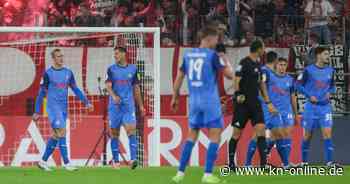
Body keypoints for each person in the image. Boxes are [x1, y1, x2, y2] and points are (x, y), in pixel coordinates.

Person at [171, 27, 234, 184]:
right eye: (216, 39)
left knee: (191, 135)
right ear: (209, 38)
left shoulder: (188, 55)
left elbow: (179, 78)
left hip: (194, 102)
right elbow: (230, 75)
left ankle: (179, 174)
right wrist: (225, 58)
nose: (217, 42)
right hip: (210, 102)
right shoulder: (213, 56)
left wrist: (175, 97)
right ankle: (207, 175)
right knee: (215, 136)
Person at [33, 48, 93, 171]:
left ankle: (43, 161)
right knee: (62, 131)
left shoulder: (68, 73)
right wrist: (37, 111)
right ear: (53, 59)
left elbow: (75, 89)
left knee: (56, 135)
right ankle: (66, 163)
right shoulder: (48, 73)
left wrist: (86, 102)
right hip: (52, 108)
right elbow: (41, 94)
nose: (61, 58)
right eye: (58, 56)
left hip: (63, 108)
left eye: (62, 56)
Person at [228, 38, 277, 170]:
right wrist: (238, 94)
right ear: (259, 49)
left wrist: (268, 102)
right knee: (236, 134)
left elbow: (262, 85)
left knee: (261, 131)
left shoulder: (259, 66)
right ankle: (231, 164)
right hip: (242, 105)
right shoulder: (243, 63)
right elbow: (236, 80)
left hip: (255, 104)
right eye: (263, 47)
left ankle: (263, 165)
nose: (264, 50)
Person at [297, 46, 340, 168]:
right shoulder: (308, 70)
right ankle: (304, 163)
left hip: (325, 108)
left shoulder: (330, 70)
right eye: (326, 54)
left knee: (327, 134)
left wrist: (330, 92)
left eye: (328, 54)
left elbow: (332, 86)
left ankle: (329, 163)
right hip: (311, 108)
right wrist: (309, 95)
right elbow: (297, 85)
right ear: (318, 55)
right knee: (307, 136)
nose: (328, 56)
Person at [105, 46, 145, 170]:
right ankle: (116, 162)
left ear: (124, 54)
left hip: (128, 106)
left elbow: (136, 88)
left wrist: (141, 105)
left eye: (117, 54)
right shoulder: (111, 69)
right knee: (114, 133)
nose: (115, 56)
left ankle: (133, 159)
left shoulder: (133, 69)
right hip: (115, 107)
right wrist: (114, 96)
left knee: (131, 130)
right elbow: (107, 85)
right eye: (114, 54)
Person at [244, 51, 278, 167]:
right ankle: (248, 164)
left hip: (271, 107)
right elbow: (259, 86)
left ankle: (264, 160)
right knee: (258, 134)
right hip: (264, 106)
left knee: (277, 133)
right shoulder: (265, 71)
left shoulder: (270, 72)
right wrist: (266, 102)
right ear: (275, 61)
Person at [264, 57, 298, 168]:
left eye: (284, 65)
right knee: (279, 135)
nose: (282, 67)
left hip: (287, 111)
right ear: (276, 66)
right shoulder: (270, 77)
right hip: (274, 112)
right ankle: (285, 163)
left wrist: (296, 113)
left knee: (286, 135)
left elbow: (293, 97)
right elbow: (262, 89)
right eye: (280, 64)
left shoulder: (290, 80)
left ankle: (285, 162)